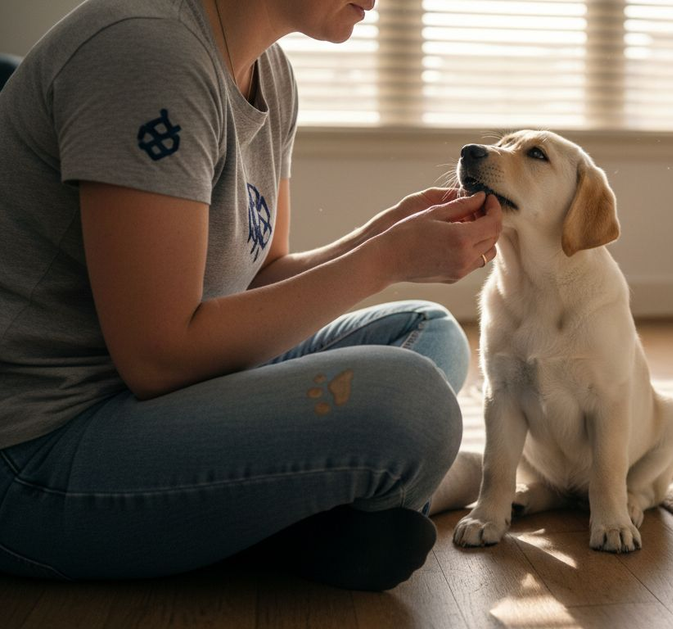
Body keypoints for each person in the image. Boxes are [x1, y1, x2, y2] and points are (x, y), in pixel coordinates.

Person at [0, 0, 501, 591]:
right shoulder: (148, 52)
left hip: (168, 397)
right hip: (39, 452)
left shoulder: (271, 72)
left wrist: (382, 235)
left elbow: (260, 278)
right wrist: (386, 259)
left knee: (426, 331)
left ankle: (296, 516)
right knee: (413, 403)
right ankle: (370, 500)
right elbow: (157, 359)